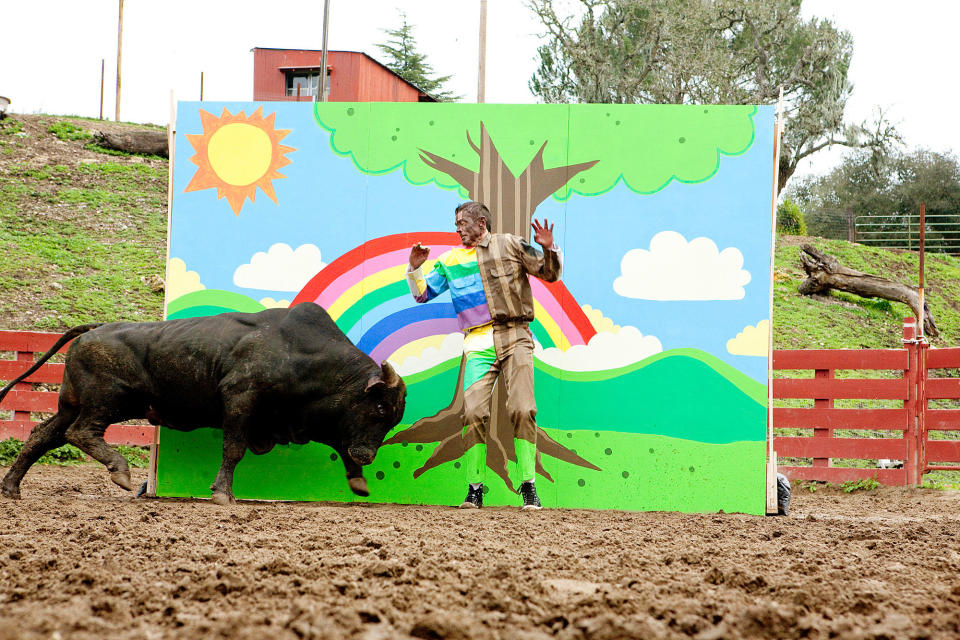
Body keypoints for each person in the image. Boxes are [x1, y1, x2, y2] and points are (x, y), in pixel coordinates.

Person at [406, 201, 562, 510]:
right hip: (477, 343)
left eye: (462, 222)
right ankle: (475, 489)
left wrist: (549, 250)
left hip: (515, 335)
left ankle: (528, 485)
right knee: (474, 413)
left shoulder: (509, 244)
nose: (457, 227)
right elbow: (423, 294)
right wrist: (414, 268)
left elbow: (549, 273)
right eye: (456, 223)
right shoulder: (449, 260)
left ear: (481, 223)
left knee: (521, 409)